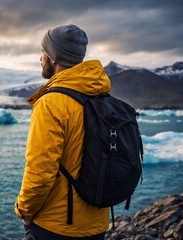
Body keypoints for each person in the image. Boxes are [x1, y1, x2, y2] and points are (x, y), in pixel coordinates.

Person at [14, 24, 110, 240]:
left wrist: (24, 211)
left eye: (43, 53)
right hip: (97, 224)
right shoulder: (101, 96)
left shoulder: (51, 103)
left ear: (53, 57)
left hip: (56, 226)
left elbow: (40, 170)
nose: (40, 59)